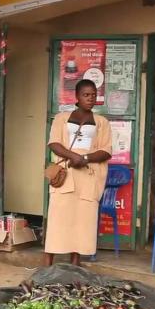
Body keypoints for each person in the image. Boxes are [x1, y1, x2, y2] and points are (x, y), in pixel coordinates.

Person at [44, 79, 112, 267]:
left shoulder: (101, 122)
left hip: (88, 175)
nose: (90, 98)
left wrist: (86, 159)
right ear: (77, 96)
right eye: (86, 94)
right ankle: (48, 265)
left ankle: (75, 265)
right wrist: (74, 156)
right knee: (58, 219)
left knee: (83, 222)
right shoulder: (61, 118)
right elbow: (54, 143)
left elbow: (106, 150)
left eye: (93, 95)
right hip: (66, 173)